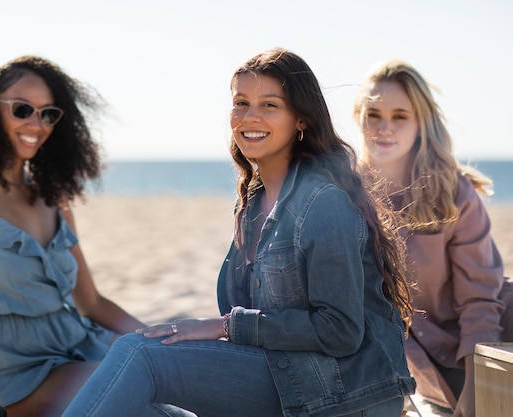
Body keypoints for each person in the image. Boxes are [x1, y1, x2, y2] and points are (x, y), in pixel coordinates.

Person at [60, 48, 416, 417]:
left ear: (301, 120)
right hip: (287, 378)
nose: (250, 117)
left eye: (269, 105)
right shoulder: (253, 202)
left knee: (140, 356)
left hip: (342, 395)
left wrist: (225, 326)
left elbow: (339, 329)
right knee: (131, 388)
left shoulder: (323, 202)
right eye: (241, 103)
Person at [0, 56, 193, 417]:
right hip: (11, 374)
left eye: (48, 114)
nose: (37, 124)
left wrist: (164, 337)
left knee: (172, 378)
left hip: (75, 347)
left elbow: (92, 303)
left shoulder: (53, 197)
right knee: (137, 387)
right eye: (22, 109)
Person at [353, 59, 513, 417]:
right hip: (417, 370)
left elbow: (480, 299)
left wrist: (476, 389)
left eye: (400, 116)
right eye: (373, 114)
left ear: (420, 123)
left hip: (484, 350)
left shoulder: (455, 193)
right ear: (358, 117)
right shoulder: (344, 195)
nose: (384, 128)